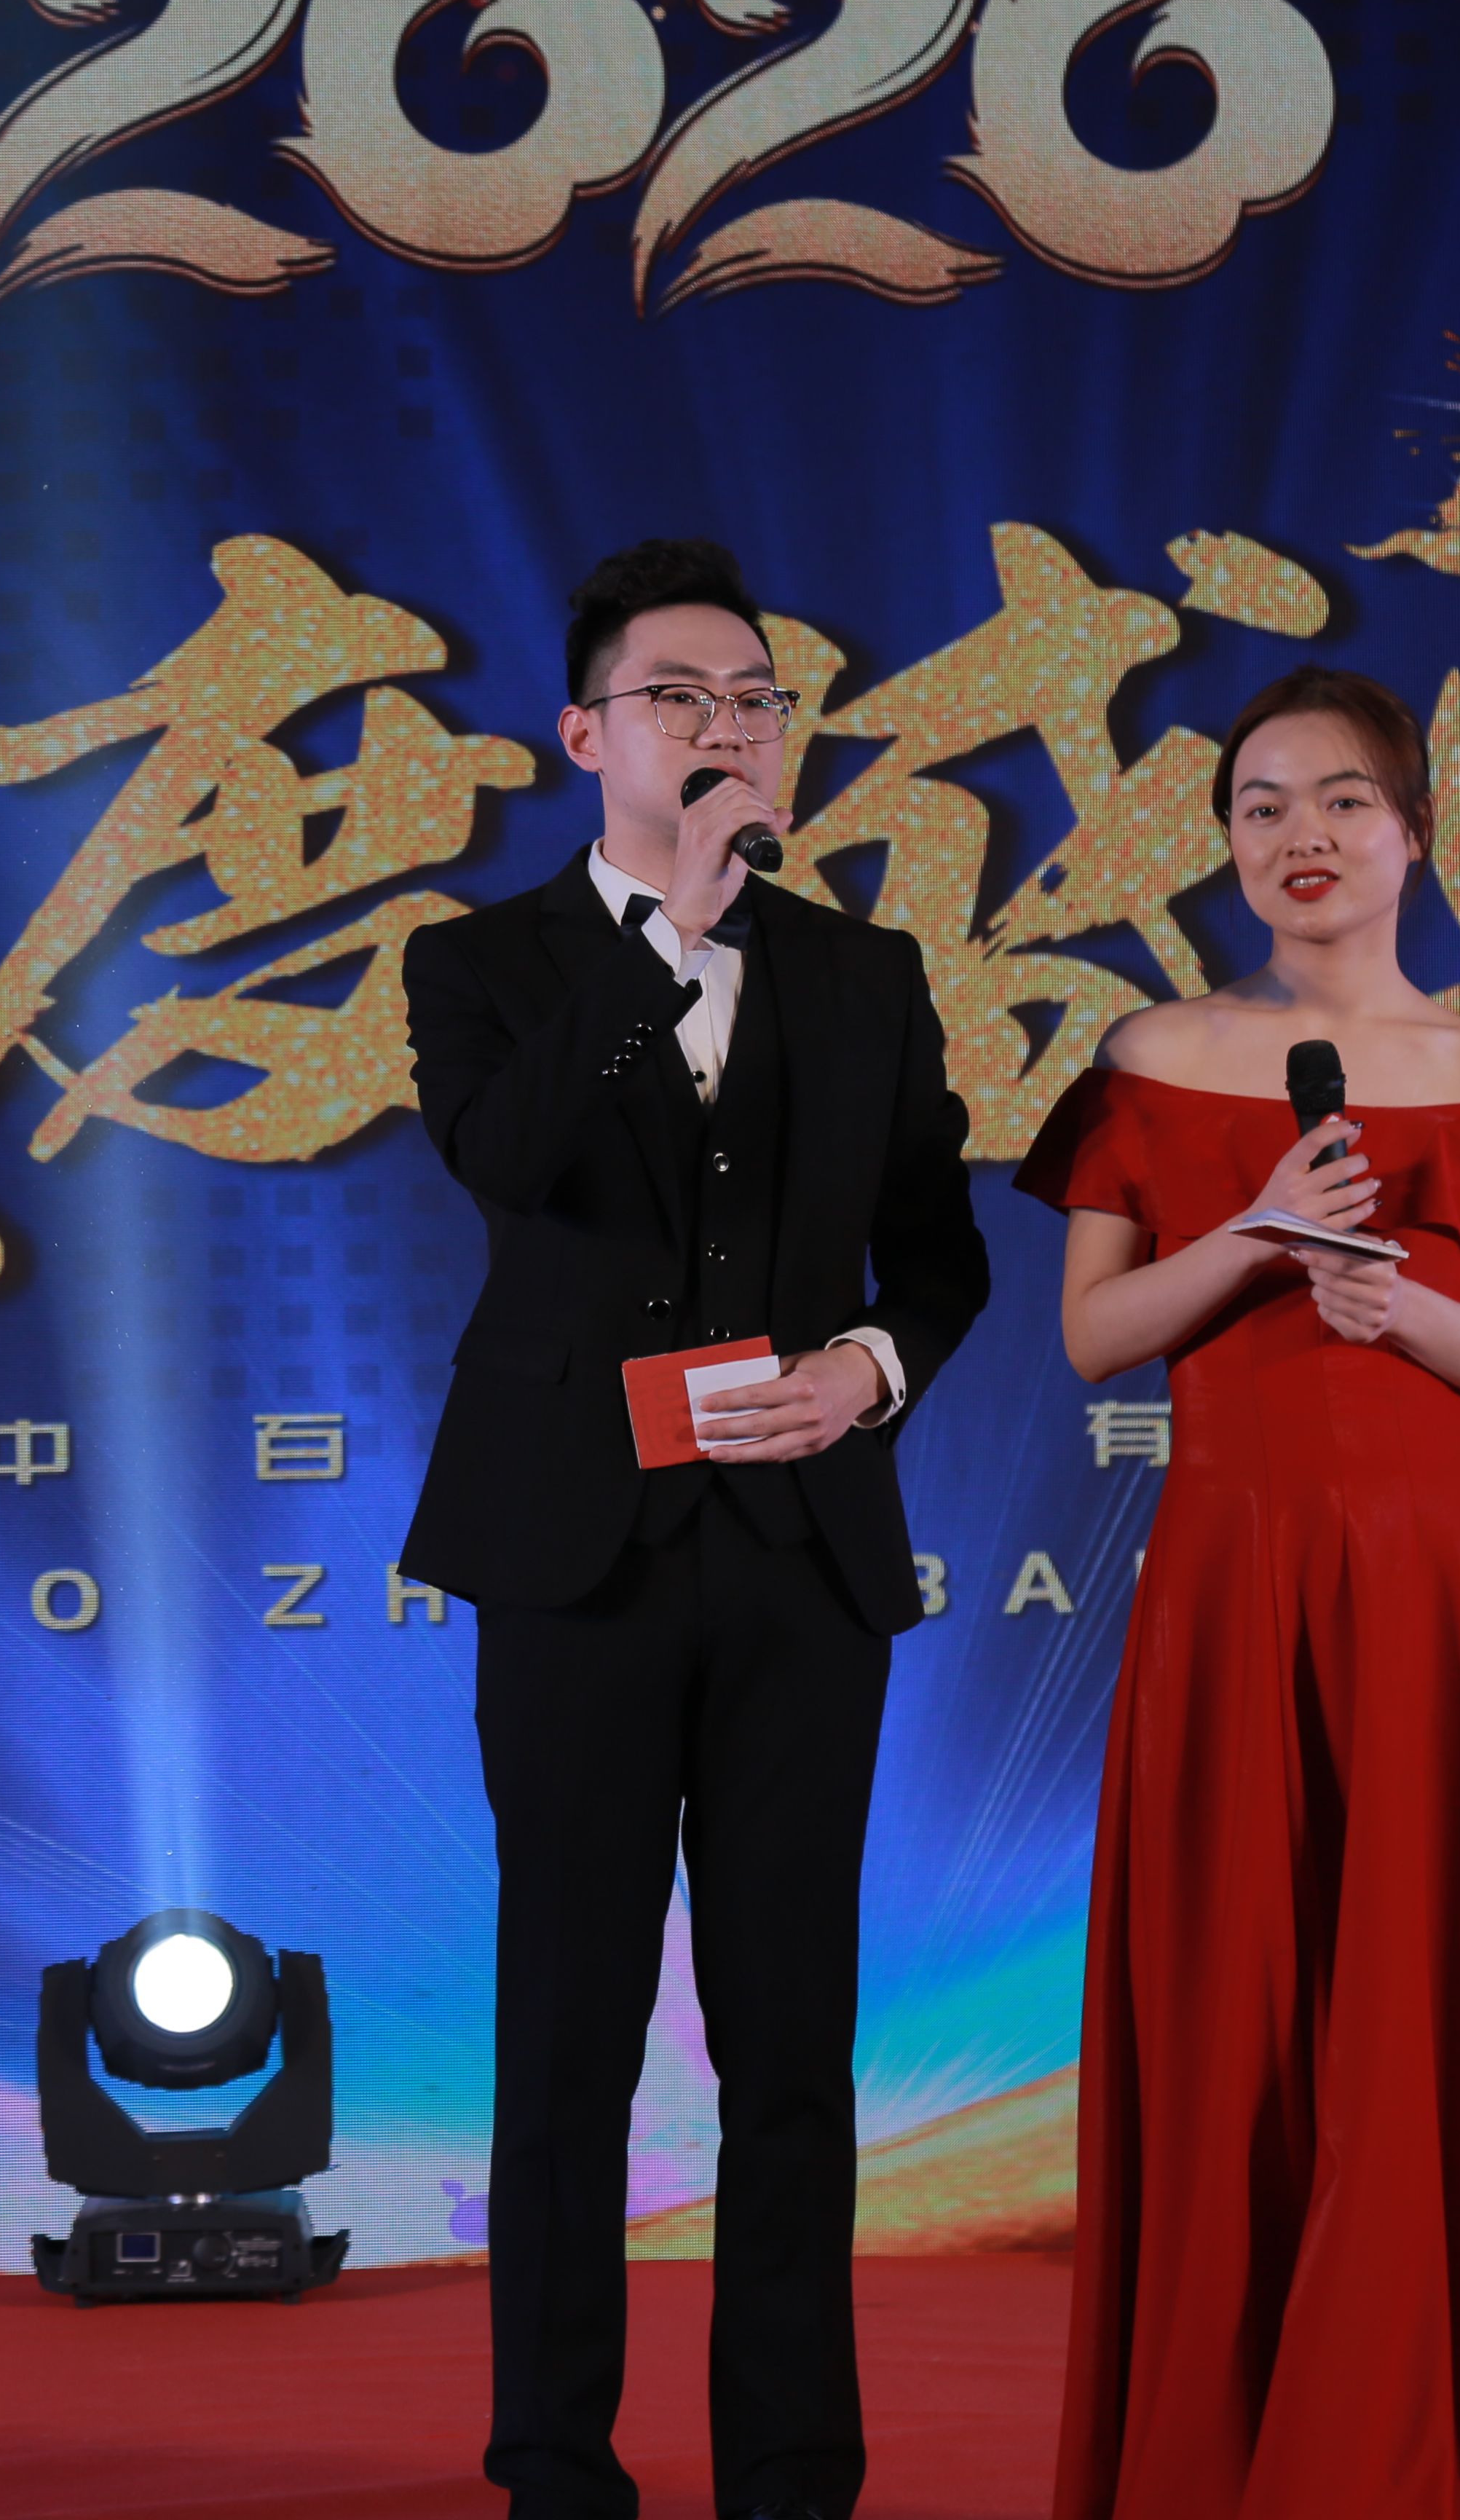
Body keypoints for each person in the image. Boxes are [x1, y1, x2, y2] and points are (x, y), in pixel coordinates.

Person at [1013, 664, 1460, 2519]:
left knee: (1444, 1997)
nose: (1300, 836)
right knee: (1236, 2000)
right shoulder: (1152, 1055)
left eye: (1341, 801)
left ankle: (1453, 2428)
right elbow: (1093, 1333)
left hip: (1437, 1584)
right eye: (1260, 807)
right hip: (1228, 1574)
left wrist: (1402, 1307)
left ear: (1416, 833)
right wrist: (1256, 1237)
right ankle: (1237, 2432)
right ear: (1226, 844)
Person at [399, 537, 990, 2520]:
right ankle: (556, 2466)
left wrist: (867, 1373)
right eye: (679, 697)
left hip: (801, 1559)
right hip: (575, 1555)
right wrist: (667, 939)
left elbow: (943, 1256)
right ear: (586, 736)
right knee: (568, 2034)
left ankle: (794, 2475)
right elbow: (510, 1159)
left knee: (794, 2046)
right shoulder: (484, 966)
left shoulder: (864, 974)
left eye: (755, 699)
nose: (726, 727)